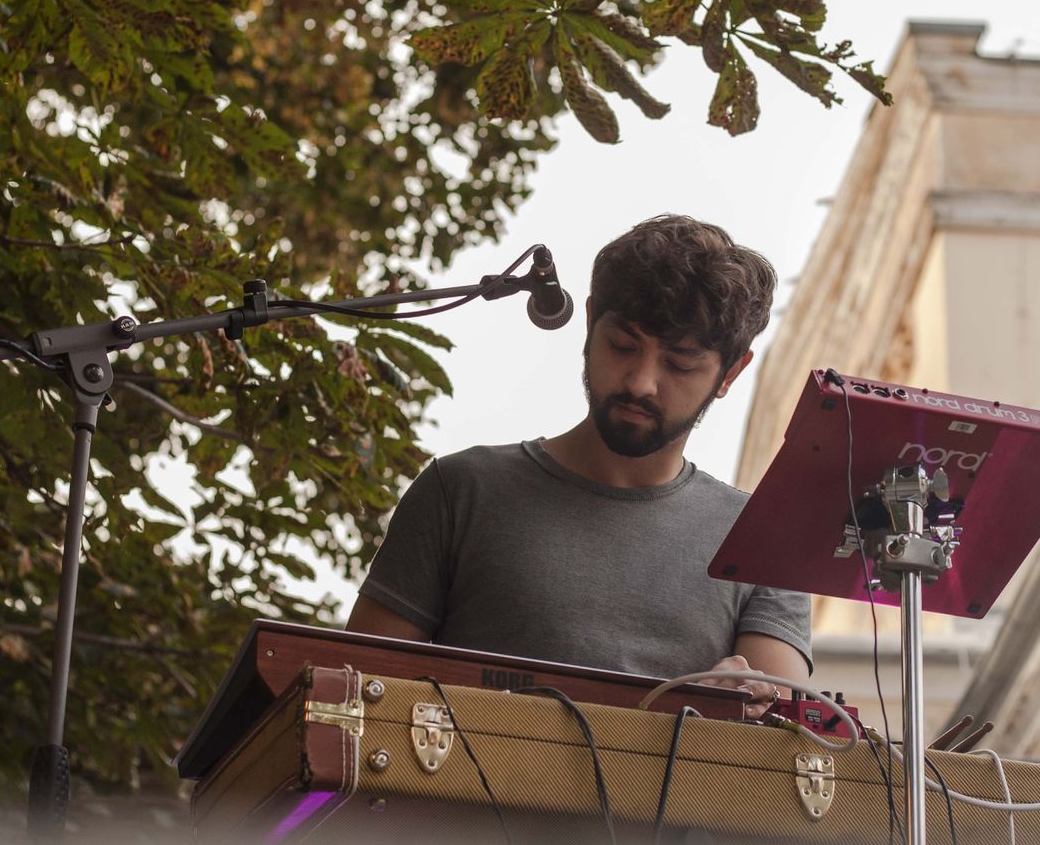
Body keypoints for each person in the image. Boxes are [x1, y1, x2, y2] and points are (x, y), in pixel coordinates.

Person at [346, 215, 810, 716]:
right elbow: (359, 698)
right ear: (590, 322)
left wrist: (745, 705)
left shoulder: (763, 540)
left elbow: (781, 734)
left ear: (731, 372)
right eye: (622, 345)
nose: (640, 382)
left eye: (679, 362)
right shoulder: (459, 491)